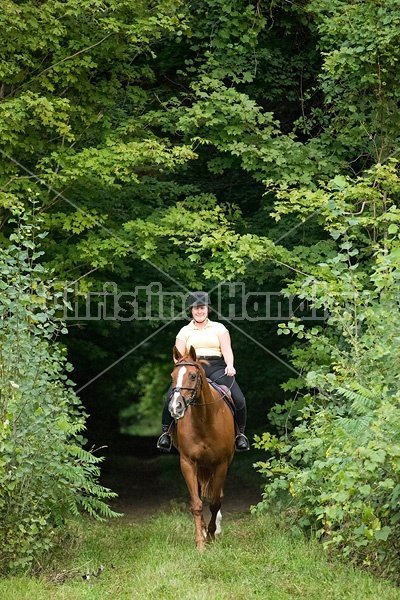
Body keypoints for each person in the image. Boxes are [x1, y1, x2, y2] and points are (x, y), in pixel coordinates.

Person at [157, 291, 250, 452]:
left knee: (239, 399)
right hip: (191, 367)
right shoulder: (184, 331)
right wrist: (184, 367)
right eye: (195, 309)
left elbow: (227, 349)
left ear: (208, 309)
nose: (199, 311)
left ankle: (240, 435)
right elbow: (177, 355)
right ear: (191, 311)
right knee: (170, 398)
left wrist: (230, 365)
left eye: (202, 308)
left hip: (216, 367)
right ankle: (166, 434)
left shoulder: (219, 328)